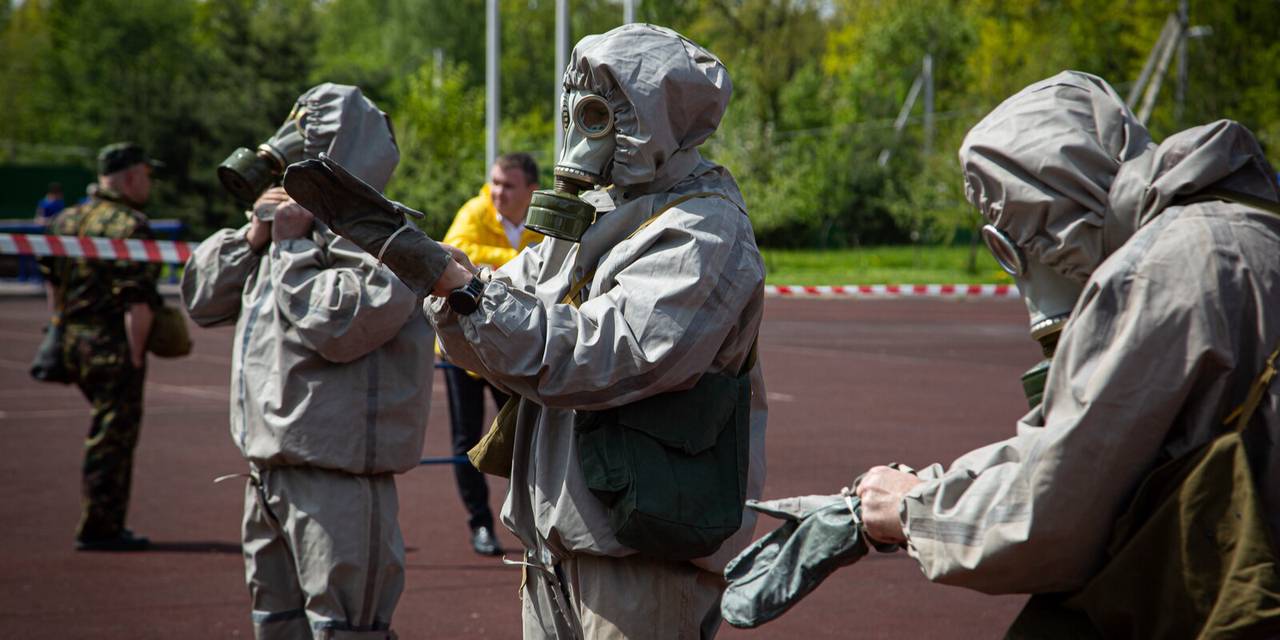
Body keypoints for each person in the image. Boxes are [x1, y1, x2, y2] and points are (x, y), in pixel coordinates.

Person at [284, 24, 768, 639]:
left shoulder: (704, 230)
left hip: (640, 557)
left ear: (658, 116)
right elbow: (504, 309)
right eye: (579, 109)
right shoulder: (599, 214)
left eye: (602, 111)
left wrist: (460, 288)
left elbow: (606, 356)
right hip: (554, 548)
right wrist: (443, 275)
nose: (584, 129)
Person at [853, 71, 1280, 636]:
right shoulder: (1250, 223)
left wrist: (911, 511)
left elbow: (1049, 515)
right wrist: (943, 487)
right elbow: (1098, 443)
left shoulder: (1155, 269)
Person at [181, 84, 429, 640]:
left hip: (335, 483)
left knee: (346, 630)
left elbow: (340, 327)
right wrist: (255, 236)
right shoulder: (278, 229)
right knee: (277, 625)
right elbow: (201, 301)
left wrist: (291, 249)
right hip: (265, 474)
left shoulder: (387, 238)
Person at [39, 142, 162, 551]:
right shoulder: (129, 225)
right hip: (111, 345)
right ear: (129, 176)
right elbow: (137, 300)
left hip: (71, 339)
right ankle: (101, 526)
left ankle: (102, 521)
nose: (149, 183)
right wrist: (136, 353)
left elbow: (51, 282)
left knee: (102, 431)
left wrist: (58, 328)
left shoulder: (66, 219)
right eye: (146, 174)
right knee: (112, 439)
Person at [439, 152, 544, 556]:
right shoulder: (475, 210)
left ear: (531, 191)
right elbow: (456, 253)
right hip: (464, 348)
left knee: (526, 434)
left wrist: (491, 263)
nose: (497, 192)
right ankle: (480, 522)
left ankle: (530, 515)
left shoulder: (539, 218)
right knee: (466, 440)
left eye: (508, 185)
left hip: (511, 344)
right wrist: (522, 264)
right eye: (495, 182)